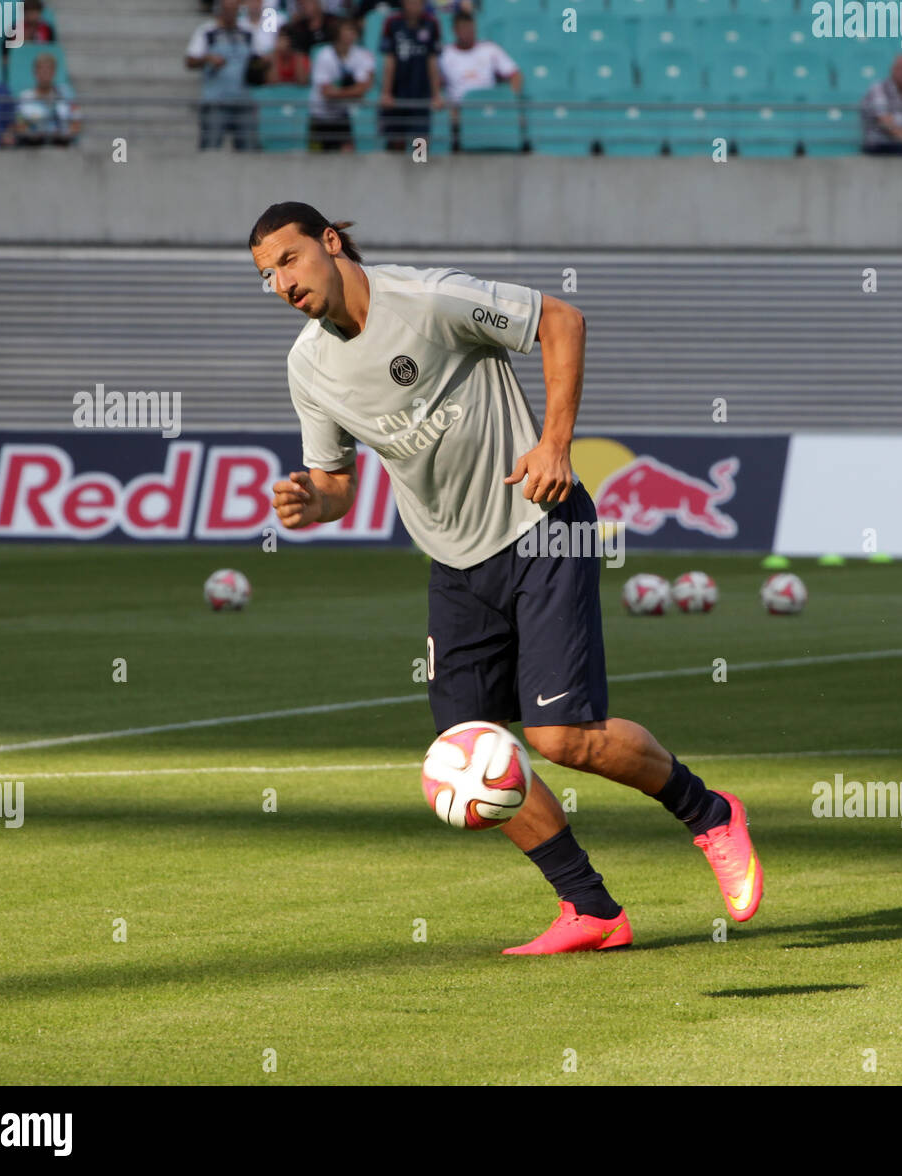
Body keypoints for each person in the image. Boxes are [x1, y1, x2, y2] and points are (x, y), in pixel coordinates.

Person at [248, 202, 763, 955]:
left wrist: (556, 445)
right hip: (454, 564)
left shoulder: (426, 300)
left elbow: (562, 320)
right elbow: (336, 483)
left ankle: (711, 815)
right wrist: (309, 502)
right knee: (467, 751)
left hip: (540, 521)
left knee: (561, 737)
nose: (282, 283)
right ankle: (590, 909)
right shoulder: (308, 366)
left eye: (289, 260)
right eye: (267, 277)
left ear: (330, 243)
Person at [186, 0, 260, 150]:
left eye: (234, 9)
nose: (230, 13)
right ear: (220, 10)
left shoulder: (248, 33)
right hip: (216, 101)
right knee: (210, 147)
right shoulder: (207, 31)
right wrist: (208, 58)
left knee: (249, 150)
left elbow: (257, 60)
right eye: (227, 9)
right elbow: (190, 60)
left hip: (243, 100)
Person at [378, 0, 444, 152]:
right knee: (396, 140)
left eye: (418, 2)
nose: (414, 6)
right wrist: (386, 93)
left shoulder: (432, 23)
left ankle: (419, 171)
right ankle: (394, 174)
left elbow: (432, 61)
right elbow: (390, 60)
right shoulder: (392, 23)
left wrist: (436, 94)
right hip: (397, 93)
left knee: (420, 141)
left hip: (421, 92)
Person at [308, 17, 376, 151]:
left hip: (342, 114)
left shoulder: (361, 55)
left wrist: (338, 93)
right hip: (320, 115)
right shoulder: (324, 56)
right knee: (317, 159)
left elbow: (363, 88)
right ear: (338, 33)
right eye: (348, 30)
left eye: (353, 30)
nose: (352, 34)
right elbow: (326, 92)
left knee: (347, 152)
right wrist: (352, 92)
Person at [439, 8, 521, 105]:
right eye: (463, 29)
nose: (467, 33)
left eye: (470, 28)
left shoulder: (490, 49)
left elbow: (515, 75)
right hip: (459, 108)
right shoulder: (444, 54)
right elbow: (435, 83)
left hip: (489, 106)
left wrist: (509, 99)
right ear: (455, 30)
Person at [12, 53, 81, 146]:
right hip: (33, 146)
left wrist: (66, 135)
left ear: (54, 72)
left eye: (49, 69)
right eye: (41, 69)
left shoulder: (66, 94)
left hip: (63, 145)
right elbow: (19, 124)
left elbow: (76, 123)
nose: (45, 72)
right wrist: (32, 135)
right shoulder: (24, 97)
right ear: (35, 72)